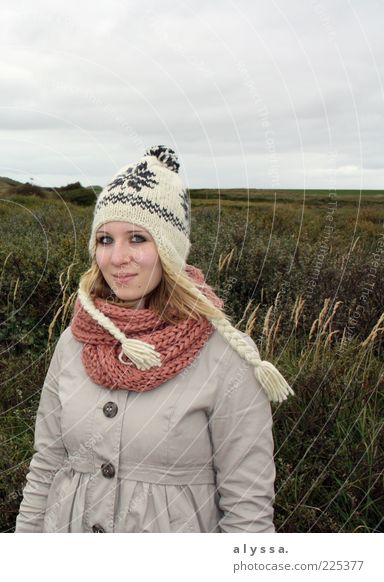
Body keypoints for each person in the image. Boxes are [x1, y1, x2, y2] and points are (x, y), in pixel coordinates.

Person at [15, 145, 293, 533]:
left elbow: (248, 512)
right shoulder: (75, 341)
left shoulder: (224, 355)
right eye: (105, 240)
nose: (117, 258)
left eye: (138, 238)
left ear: (169, 249)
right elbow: (45, 467)